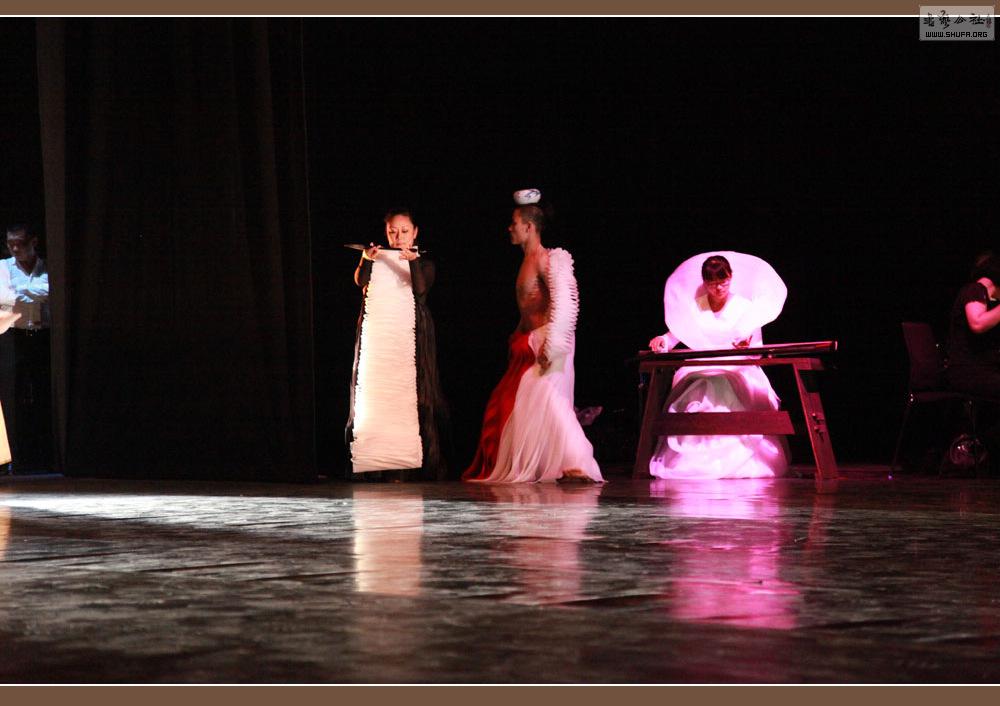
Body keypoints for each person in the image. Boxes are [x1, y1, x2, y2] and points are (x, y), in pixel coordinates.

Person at [463, 189, 602, 483]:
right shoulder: (526, 261)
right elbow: (529, 307)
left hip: (551, 342)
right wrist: (518, 335)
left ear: (528, 227)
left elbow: (564, 301)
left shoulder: (546, 259)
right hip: (531, 342)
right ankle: (551, 466)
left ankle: (577, 464)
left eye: (514, 223)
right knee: (520, 407)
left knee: (551, 403)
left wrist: (552, 346)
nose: (509, 228)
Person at [646, 252, 788, 480]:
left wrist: (745, 343)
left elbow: (755, 344)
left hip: (737, 364)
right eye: (712, 283)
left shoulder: (744, 306)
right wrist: (663, 340)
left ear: (731, 278)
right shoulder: (698, 305)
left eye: (723, 281)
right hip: (703, 364)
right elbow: (678, 333)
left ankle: (738, 454)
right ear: (704, 283)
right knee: (698, 385)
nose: (718, 288)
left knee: (724, 384)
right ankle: (694, 454)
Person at [346, 209, 450, 481]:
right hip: (381, 334)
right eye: (393, 231)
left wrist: (413, 262)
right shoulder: (378, 257)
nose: (398, 237)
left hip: (412, 334)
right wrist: (366, 259)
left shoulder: (425, 262)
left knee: (414, 396)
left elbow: (420, 289)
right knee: (380, 396)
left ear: (415, 232)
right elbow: (361, 282)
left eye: (404, 231)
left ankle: (414, 465)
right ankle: (377, 463)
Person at [0, 224, 51, 473]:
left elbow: (50, 291)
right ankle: (15, 458)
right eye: (10, 244)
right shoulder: (3, 267)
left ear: (33, 242)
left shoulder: (46, 267)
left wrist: (21, 291)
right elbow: (6, 298)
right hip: (13, 336)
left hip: (41, 336)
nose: (14, 248)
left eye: (19, 243)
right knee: (13, 395)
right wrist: (33, 293)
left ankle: (43, 456)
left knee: (43, 393)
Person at [946, 252, 1000, 399]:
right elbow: (977, 323)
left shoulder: (991, 305)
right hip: (967, 372)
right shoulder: (974, 290)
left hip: (984, 371)